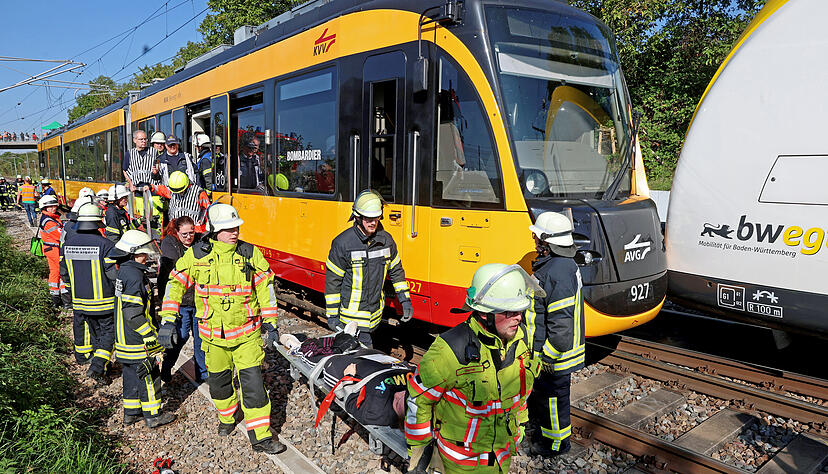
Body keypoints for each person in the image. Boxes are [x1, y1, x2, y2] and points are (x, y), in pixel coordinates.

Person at [158, 203, 285, 454]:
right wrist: (168, 320)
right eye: (228, 228)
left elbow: (266, 290)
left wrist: (271, 323)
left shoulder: (250, 253)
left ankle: (260, 436)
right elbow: (175, 285)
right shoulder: (197, 255)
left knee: (254, 387)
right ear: (216, 230)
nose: (234, 231)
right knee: (219, 385)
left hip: (247, 335)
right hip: (213, 337)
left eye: (236, 227)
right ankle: (227, 418)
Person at [405, 263, 543, 474]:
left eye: (520, 310)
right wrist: (418, 455)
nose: (519, 317)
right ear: (484, 313)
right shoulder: (449, 349)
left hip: (500, 457)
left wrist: (521, 427)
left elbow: (521, 392)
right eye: (510, 311)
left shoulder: (520, 340)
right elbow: (419, 400)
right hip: (461, 463)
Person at [526, 212, 585, 457]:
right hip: (550, 352)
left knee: (553, 401)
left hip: (555, 356)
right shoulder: (560, 265)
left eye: (538, 237)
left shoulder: (557, 273)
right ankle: (544, 433)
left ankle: (556, 445)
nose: (535, 241)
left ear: (548, 242)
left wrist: (546, 357)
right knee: (545, 398)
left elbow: (561, 329)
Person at [324, 190, 412, 348]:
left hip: (375, 315)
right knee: (363, 358)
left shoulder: (386, 241)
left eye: (376, 218)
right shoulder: (342, 244)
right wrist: (332, 315)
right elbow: (333, 281)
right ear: (357, 217)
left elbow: (396, 271)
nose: (373, 223)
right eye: (368, 219)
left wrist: (405, 300)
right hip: (352, 319)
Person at [108, 230, 177, 428]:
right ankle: (153, 415)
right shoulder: (134, 276)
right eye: (144, 253)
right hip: (137, 339)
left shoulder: (125, 271)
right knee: (149, 374)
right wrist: (150, 336)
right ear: (134, 253)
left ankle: (131, 413)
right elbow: (133, 314)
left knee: (131, 375)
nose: (147, 256)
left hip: (124, 339)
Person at [60, 203, 117, 383]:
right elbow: (112, 274)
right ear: (97, 222)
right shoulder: (105, 245)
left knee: (93, 335)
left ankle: (100, 369)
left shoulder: (67, 245)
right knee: (108, 334)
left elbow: (64, 274)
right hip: (104, 302)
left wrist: (73, 290)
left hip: (79, 302)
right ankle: (98, 366)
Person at [157, 216, 208, 383]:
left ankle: (202, 374)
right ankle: (167, 365)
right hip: (183, 301)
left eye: (191, 233)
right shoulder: (171, 245)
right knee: (180, 336)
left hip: (199, 300)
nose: (188, 237)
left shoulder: (200, 242)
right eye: (184, 234)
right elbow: (169, 271)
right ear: (177, 232)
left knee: (201, 340)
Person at [38, 195, 65, 309]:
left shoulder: (50, 218)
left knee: (55, 272)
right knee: (62, 271)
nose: (53, 208)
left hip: (51, 249)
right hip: (54, 249)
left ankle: (56, 298)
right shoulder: (48, 221)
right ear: (44, 208)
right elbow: (60, 235)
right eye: (50, 206)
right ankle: (65, 298)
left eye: (54, 205)